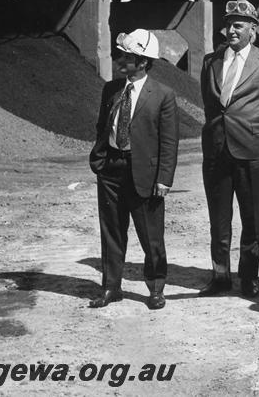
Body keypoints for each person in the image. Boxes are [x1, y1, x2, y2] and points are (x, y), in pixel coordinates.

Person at [88, 29, 179, 310]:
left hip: (145, 175)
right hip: (112, 170)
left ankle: (155, 289)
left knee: (151, 236)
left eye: (126, 57)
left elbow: (169, 141)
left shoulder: (163, 95)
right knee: (112, 232)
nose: (119, 61)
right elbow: (102, 127)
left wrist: (164, 179)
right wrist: (101, 162)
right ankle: (111, 287)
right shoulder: (111, 89)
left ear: (142, 62)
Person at [199, 0, 259, 298]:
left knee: (251, 219)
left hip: (250, 150)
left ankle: (249, 279)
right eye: (228, 25)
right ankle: (220, 277)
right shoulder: (211, 61)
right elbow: (210, 103)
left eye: (238, 25)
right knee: (218, 221)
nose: (231, 30)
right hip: (217, 150)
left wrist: (250, 125)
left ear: (253, 29)